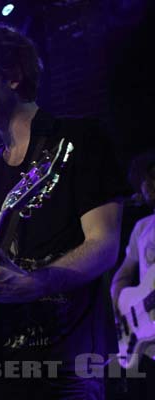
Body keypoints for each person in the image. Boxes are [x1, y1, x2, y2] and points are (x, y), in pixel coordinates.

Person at [0, 22, 131, 399]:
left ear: (13, 75)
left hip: (66, 363)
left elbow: (104, 245)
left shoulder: (81, 139)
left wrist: (38, 283)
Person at [110, 151, 155, 398]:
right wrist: (123, 309)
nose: (148, 184)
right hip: (145, 336)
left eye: (154, 177)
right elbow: (123, 275)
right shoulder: (143, 227)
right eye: (144, 179)